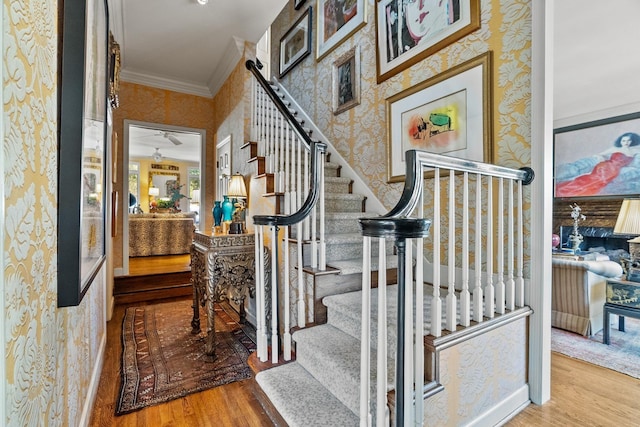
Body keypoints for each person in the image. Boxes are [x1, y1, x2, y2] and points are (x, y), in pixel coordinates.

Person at [555, 132, 640, 197]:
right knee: (595, 180)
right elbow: (599, 154)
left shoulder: (634, 151)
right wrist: (601, 159)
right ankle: (564, 190)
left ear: (632, 141)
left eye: (628, 140)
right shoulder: (615, 148)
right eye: (624, 140)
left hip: (615, 169)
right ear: (620, 141)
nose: (626, 142)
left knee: (598, 182)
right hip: (605, 167)